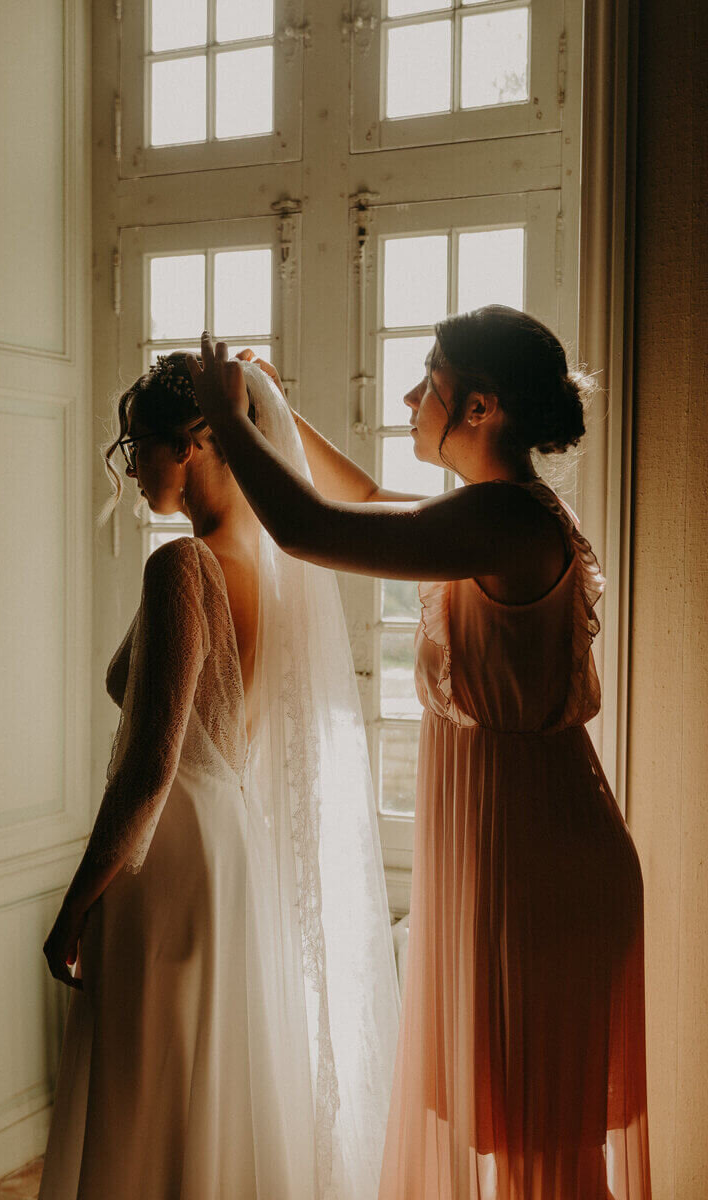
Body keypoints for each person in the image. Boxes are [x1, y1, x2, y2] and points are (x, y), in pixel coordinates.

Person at [188, 308, 652, 1200]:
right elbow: (361, 501)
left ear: (478, 407)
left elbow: (309, 530)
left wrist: (233, 421)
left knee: (528, 1137)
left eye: (427, 381)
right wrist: (285, 412)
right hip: (505, 850)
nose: (408, 397)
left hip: (537, 863)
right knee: (505, 1124)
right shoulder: (488, 511)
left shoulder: (508, 520)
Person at [39, 353, 399, 1200]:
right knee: (207, 1082)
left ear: (198, 443)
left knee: (148, 1091)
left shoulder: (184, 566)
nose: (132, 470)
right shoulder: (278, 568)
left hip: (167, 855)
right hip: (230, 851)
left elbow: (150, 767)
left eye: (142, 447)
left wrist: (71, 912)